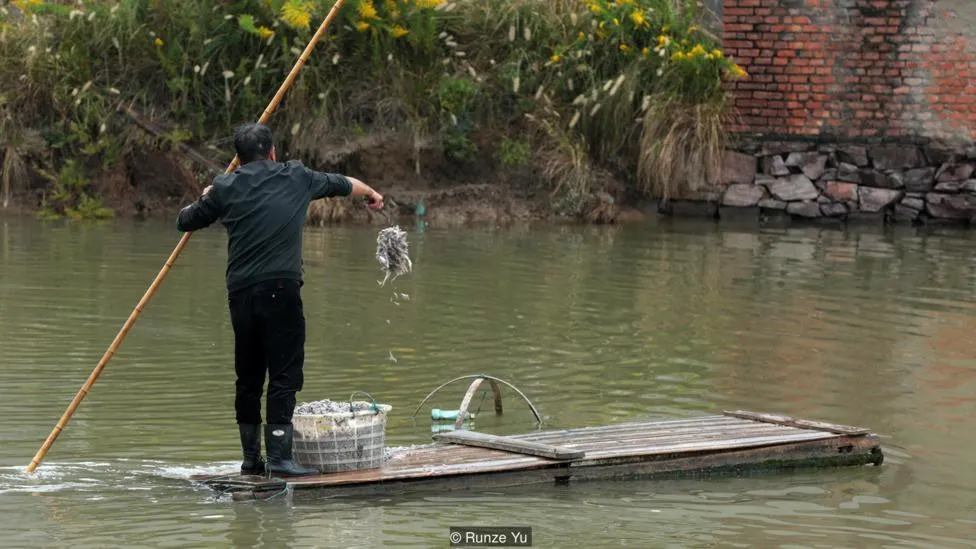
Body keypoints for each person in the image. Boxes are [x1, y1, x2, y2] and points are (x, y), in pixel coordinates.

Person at [176, 123, 384, 477]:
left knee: (249, 376)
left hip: (240, 296)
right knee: (285, 374)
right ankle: (280, 460)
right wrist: (371, 194)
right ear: (273, 151)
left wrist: (209, 194)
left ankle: (250, 460)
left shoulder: (226, 186)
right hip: (281, 291)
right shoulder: (297, 177)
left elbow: (184, 221)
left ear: (238, 159)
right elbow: (341, 183)